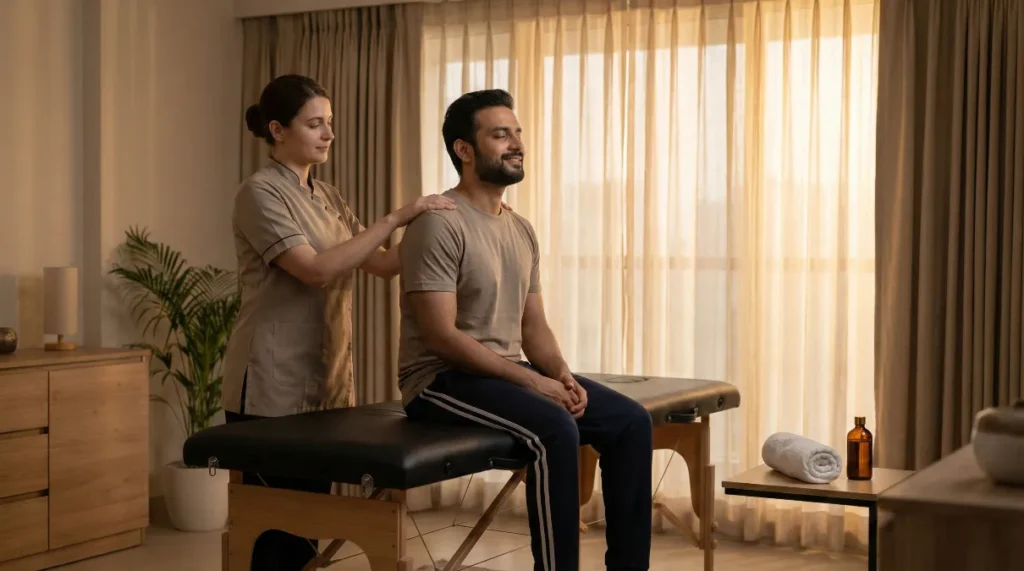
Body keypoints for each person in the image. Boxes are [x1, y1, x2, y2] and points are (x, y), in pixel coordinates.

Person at [397, 89, 654, 571]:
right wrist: (534, 383)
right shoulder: (438, 223)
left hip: (502, 372)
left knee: (630, 422)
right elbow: (440, 338)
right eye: (500, 134)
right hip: (438, 382)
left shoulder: (520, 228)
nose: (516, 143)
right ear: (464, 150)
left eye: (517, 133)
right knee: (555, 428)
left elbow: (532, 325)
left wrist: (561, 374)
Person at [220, 74, 456, 571]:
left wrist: (446, 224)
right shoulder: (258, 193)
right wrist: (396, 217)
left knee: (310, 524)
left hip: (324, 384)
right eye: (315, 124)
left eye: (330, 123)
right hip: (270, 387)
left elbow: (384, 264)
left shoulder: (327, 196)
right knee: (277, 529)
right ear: (278, 130)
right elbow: (315, 270)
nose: (328, 134)